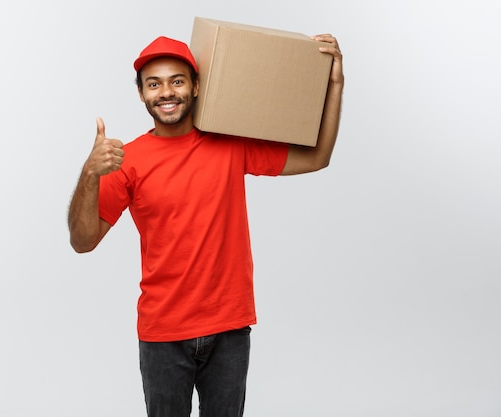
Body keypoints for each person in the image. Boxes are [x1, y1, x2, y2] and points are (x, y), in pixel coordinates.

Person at [68, 33, 344, 417]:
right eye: (154, 84)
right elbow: (82, 241)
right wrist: (89, 173)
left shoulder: (229, 142)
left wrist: (334, 85)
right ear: (141, 94)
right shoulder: (126, 161)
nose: (166, 92)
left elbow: (317, 157)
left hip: (229, 327)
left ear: (196, 86)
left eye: (177, 80)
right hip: (163, 334)